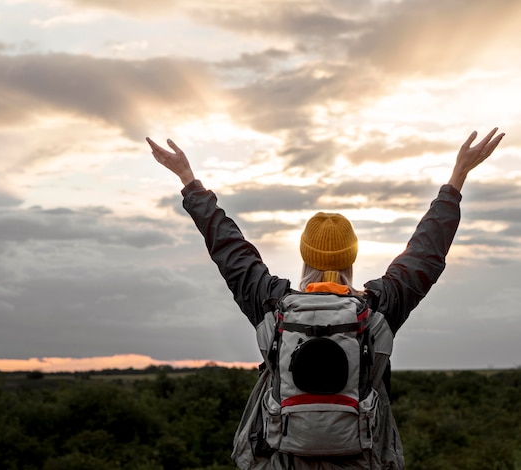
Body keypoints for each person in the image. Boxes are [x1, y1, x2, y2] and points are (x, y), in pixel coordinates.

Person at [147, 128, 505, 470]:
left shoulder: (273, 305)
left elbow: (231, 250)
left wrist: (189, 181)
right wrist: (457, 178)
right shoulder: (378, 308)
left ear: (305, 256)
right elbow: (426, 253)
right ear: (350, 258)